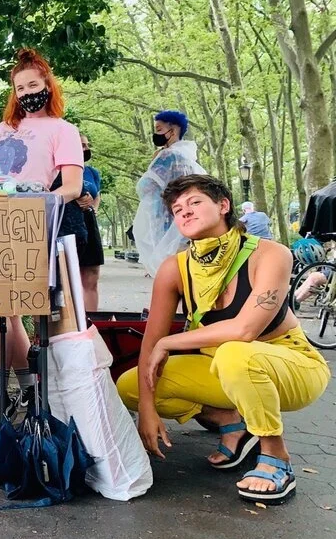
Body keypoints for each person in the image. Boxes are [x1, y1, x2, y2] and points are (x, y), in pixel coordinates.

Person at [117, 175, 329, 503]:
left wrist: (168, 344)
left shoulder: (271, 254)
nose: (184, 212)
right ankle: (232, 421)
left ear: (223, 206)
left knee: (234, 353)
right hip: (221, 366)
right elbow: (151, 341)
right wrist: (146, 406)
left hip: (292, 366)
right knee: (131, 386)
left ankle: (276, 457)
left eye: (195, 202)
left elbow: (245, 330)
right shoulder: (175, 269)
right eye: (176, 209)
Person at [0, 47, 84, 442]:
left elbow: (71, 185)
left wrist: (41, 195)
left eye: (33, 85)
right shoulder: (3, 129)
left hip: (32, 226)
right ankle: (8, 397)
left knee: (16, 309)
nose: (26, 93)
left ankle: (22, 395)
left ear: (48, 86)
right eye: (19, 87)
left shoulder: (62, 130)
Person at [132, 110, 205, 276]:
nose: (155, 134)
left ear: (172, 132)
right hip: (185, 222)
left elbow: (146, 185)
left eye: (159, 129)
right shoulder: (188, 157)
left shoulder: (167, 155)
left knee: (171, 272)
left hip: (168, 222)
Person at [76, 133, 104, 311]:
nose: (85, 149)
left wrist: (92, 207)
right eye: (81, 145)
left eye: (86, 145)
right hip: (68, 223)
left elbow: (97, 195)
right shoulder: (57, 169)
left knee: (91, 276)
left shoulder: (92, 172)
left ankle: (93, 324)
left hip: (89, 222)